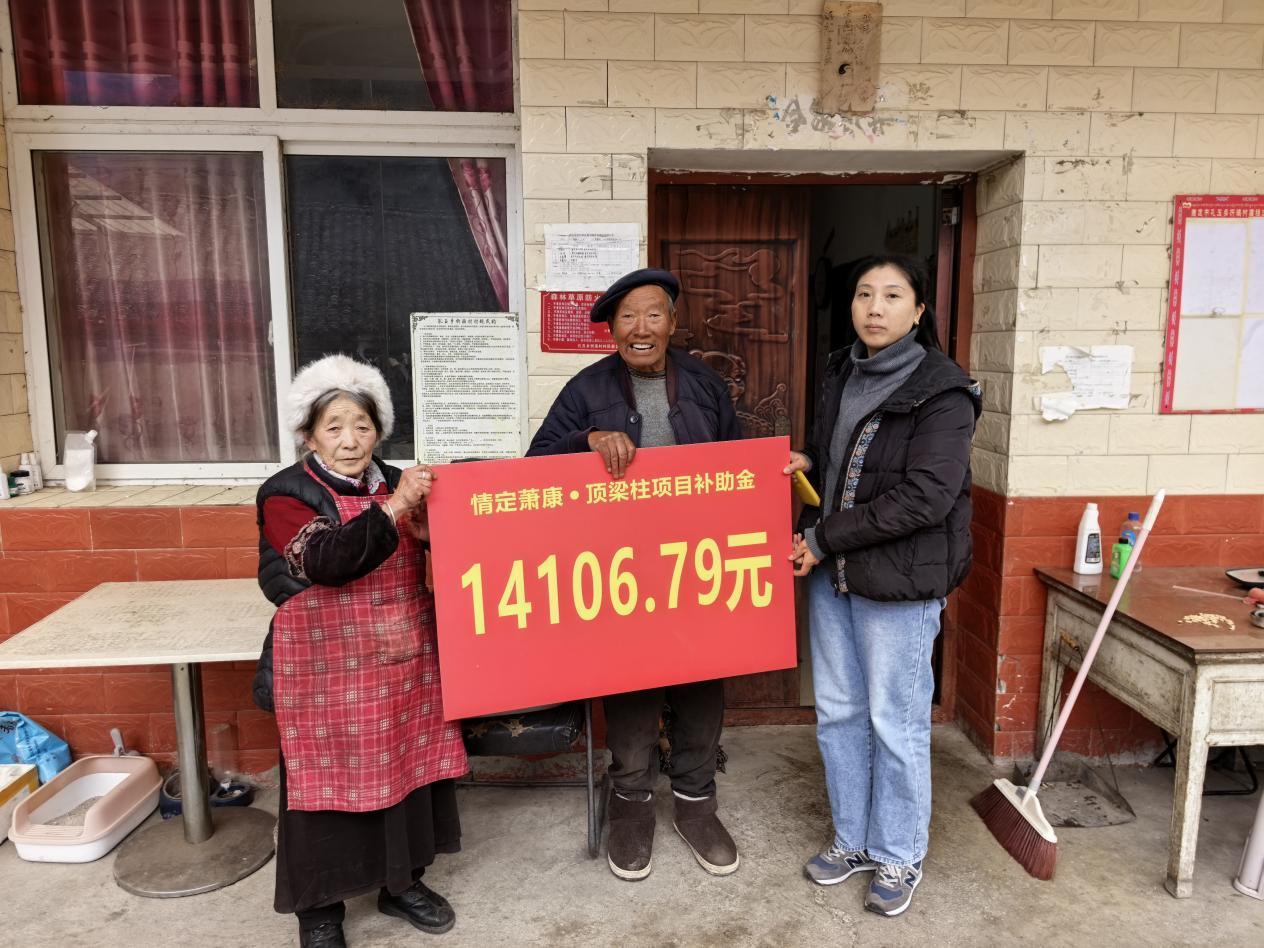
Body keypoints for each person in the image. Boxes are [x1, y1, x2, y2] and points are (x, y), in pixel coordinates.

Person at [527, 267, 743, 882]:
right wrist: (586, 440)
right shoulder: (586, 389)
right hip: (619, 567)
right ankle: (631, 801)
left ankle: (696, 801)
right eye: (627, 317)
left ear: (673, 323)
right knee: (630, 684)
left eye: (653, 314)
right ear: (612, 329)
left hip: (696, 562)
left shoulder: (704, 384)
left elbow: (737, 466)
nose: (640, 327)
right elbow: (534, 466)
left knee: (701, 679)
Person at [785, 254, 980, 918]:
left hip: (900, 581)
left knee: (894, 723)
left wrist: (822, 539)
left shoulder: (945, 391)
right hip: (836, 577)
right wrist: (809, 459)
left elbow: (925, 497)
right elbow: (841, 456)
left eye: (893, 296)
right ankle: (854, 840)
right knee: (840, 712)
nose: (875, 308)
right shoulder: (844, 370)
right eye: (864, 294)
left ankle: (899, 852)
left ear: (919, 310)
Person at [253, 355, 468, 947]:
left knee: (406, 777)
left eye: (362, 426)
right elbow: (327, 560)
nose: (350, 441)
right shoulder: (285, 494)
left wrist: (432, 534)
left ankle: (402, 884)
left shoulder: (397, 480)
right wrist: (396, 509)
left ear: (379, 431)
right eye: (334, 427)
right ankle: (320, 912)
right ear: (309, 436)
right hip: (324, 672)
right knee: (323, 792)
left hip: (402, 661)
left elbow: (457, 555)